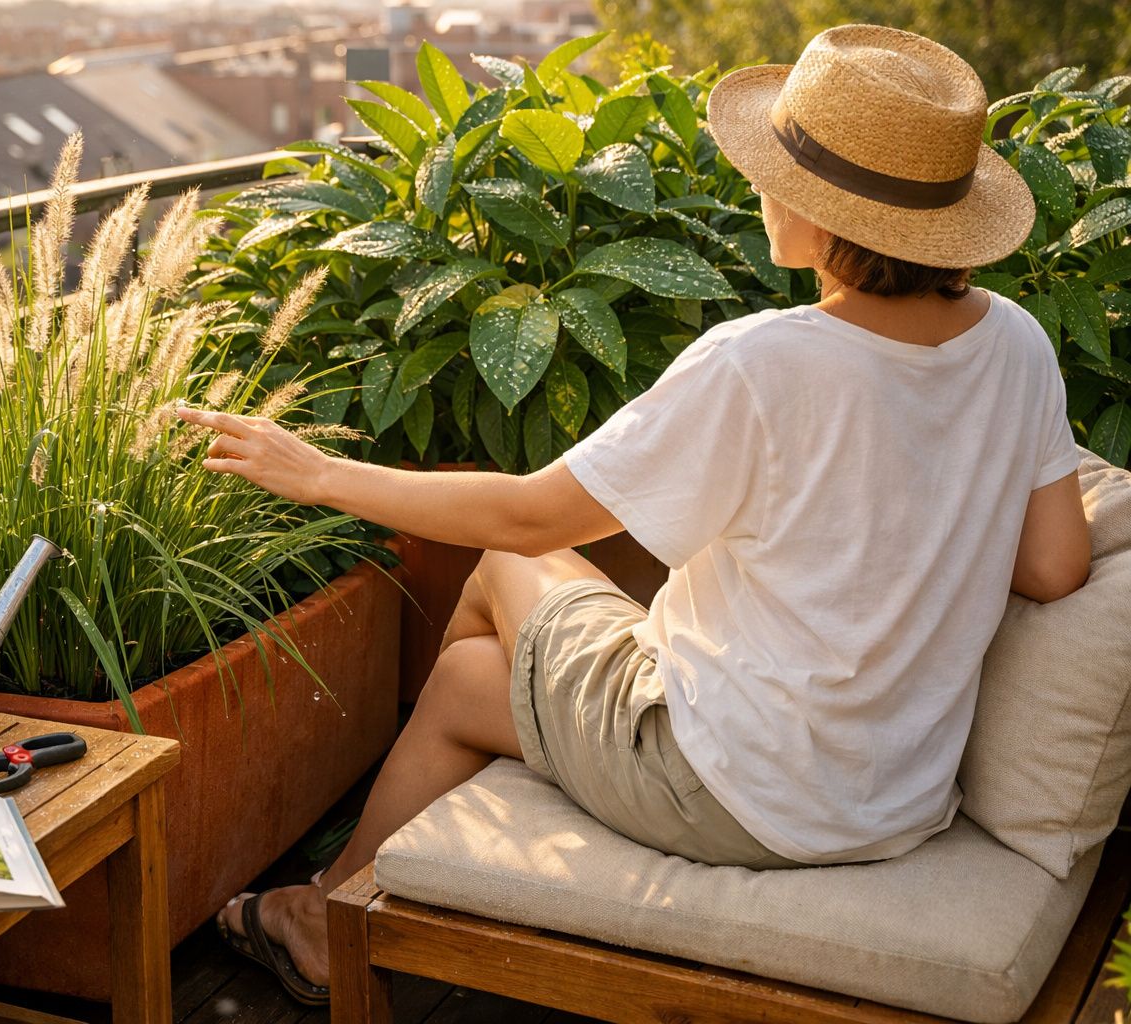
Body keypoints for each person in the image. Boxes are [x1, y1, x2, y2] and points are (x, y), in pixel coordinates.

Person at [179, 23, 1091, 1007]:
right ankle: (325, 910)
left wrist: (316, 473)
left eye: (778, 166)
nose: (757, 182)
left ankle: (319, 914)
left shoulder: (763, 363)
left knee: (499, 562)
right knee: (471, 678)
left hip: (729, 788)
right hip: (894, 800)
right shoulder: (1018, 345)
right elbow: (1053, 568)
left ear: (829, 217)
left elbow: (530, 516)